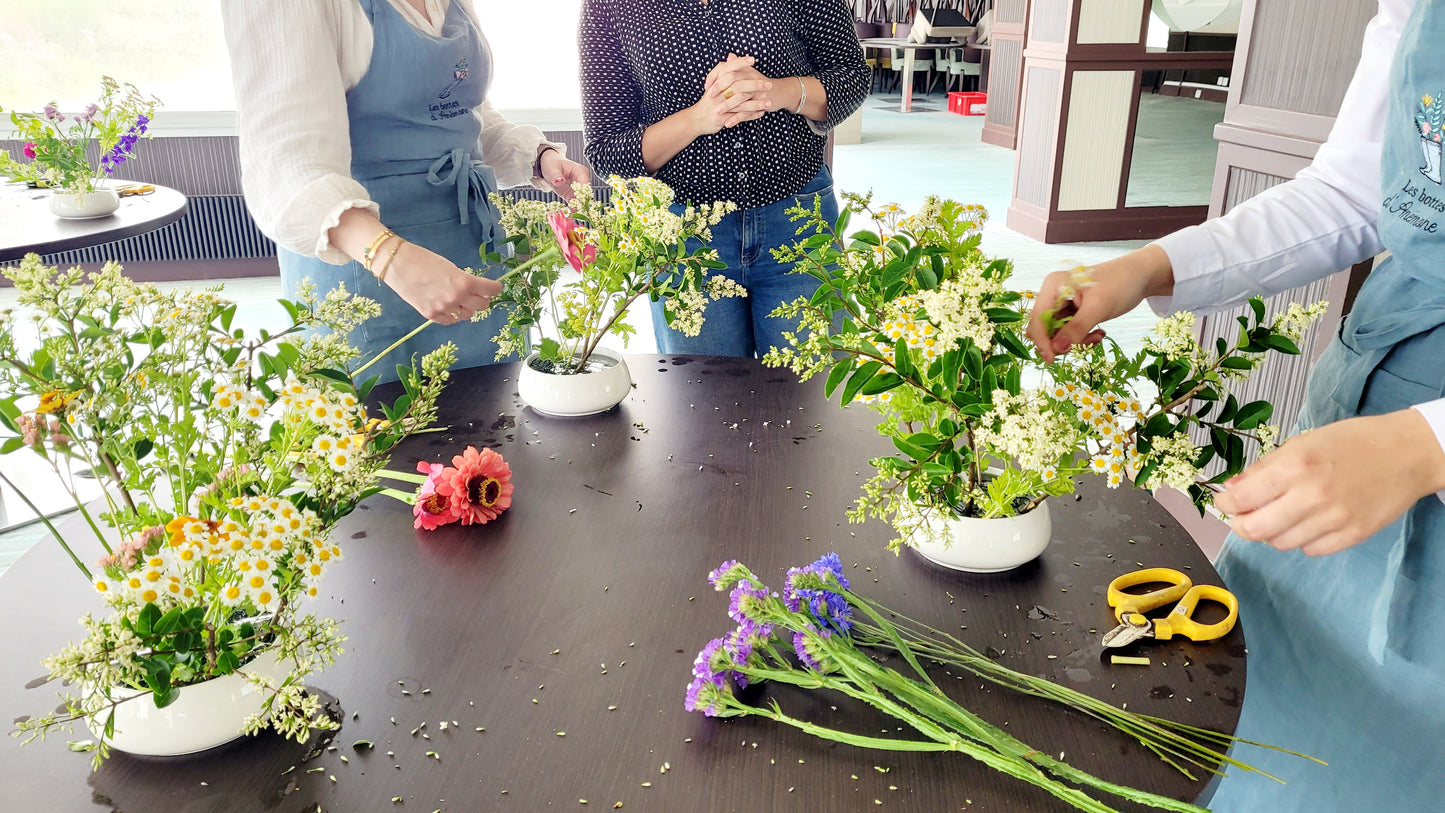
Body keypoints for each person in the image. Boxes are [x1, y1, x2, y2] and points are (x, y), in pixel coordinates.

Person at [1025, 1, 1445, 808]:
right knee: (1231, 703)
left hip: (1402, 444)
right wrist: (1151, 267)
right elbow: (1355, 191)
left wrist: (1424, 445)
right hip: (1359, 408)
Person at [221, 0, 591, 379]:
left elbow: (458, 109)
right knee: (386, 426)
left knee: (496, 419)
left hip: (474, 253)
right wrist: (391, 257)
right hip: (369, 271)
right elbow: (285, 166)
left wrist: (537, 156)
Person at [578, 0, 869, 358]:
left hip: (798, 216)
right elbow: (608, 151)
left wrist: (773, 92)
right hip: (684, 239)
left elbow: (852, 76)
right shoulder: (608, 6)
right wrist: (700, 118)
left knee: (813, 396)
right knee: (702, 400)